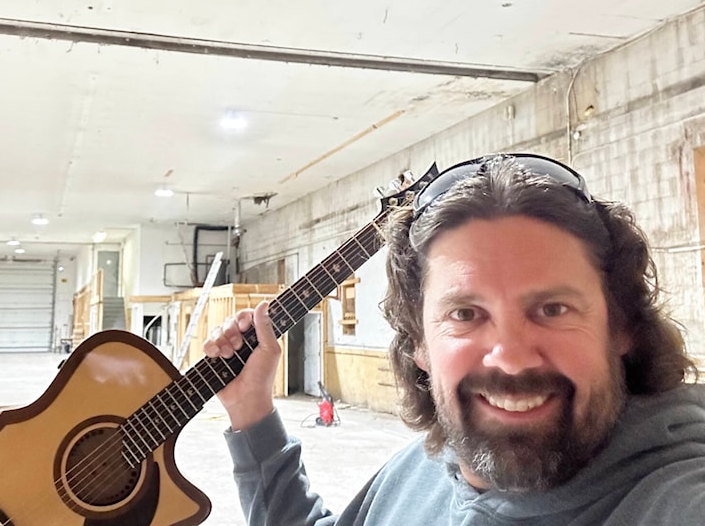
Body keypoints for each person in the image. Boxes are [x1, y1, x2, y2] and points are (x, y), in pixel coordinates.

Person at [203, 153, 705, 526]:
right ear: (418, 343)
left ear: (622, 327)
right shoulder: (422, 469)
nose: (509, 358)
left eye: (552, 309)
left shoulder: (673, 502)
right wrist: (252, 413)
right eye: (465, 314)